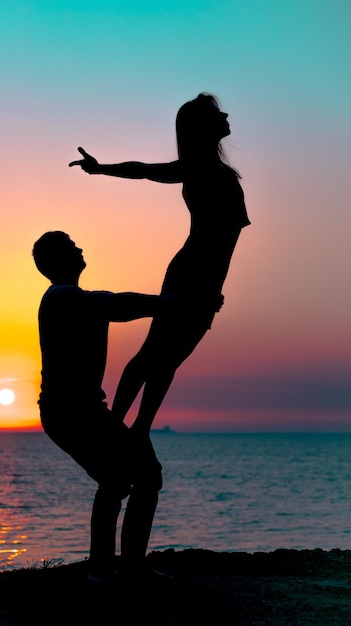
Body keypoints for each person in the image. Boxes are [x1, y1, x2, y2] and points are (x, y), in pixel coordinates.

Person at [69, 92, 251, 435]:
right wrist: (99, 168)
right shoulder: (200, 169)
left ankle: (138, 429)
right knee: (153, 355)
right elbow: (144, 172)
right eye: (216, 113)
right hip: (193, 273)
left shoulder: (213, 171)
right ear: (201, 127)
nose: (225, 115)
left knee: (168, 359)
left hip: (202, 276)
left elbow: (225, 244)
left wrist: (214, 287)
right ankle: (117, 424)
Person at [32, 230, 171, 584]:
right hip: (69, 412)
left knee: (138, 476)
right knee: (122, 477)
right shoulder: (62, 297)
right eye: (70, 246)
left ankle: (124, 566)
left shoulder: (71, 297)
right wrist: (171, 303)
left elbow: (113, 304)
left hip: (84, 410)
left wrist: (168, 304)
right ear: (57, 261)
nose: (79, 248)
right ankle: (105, 570)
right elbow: (117, 304)